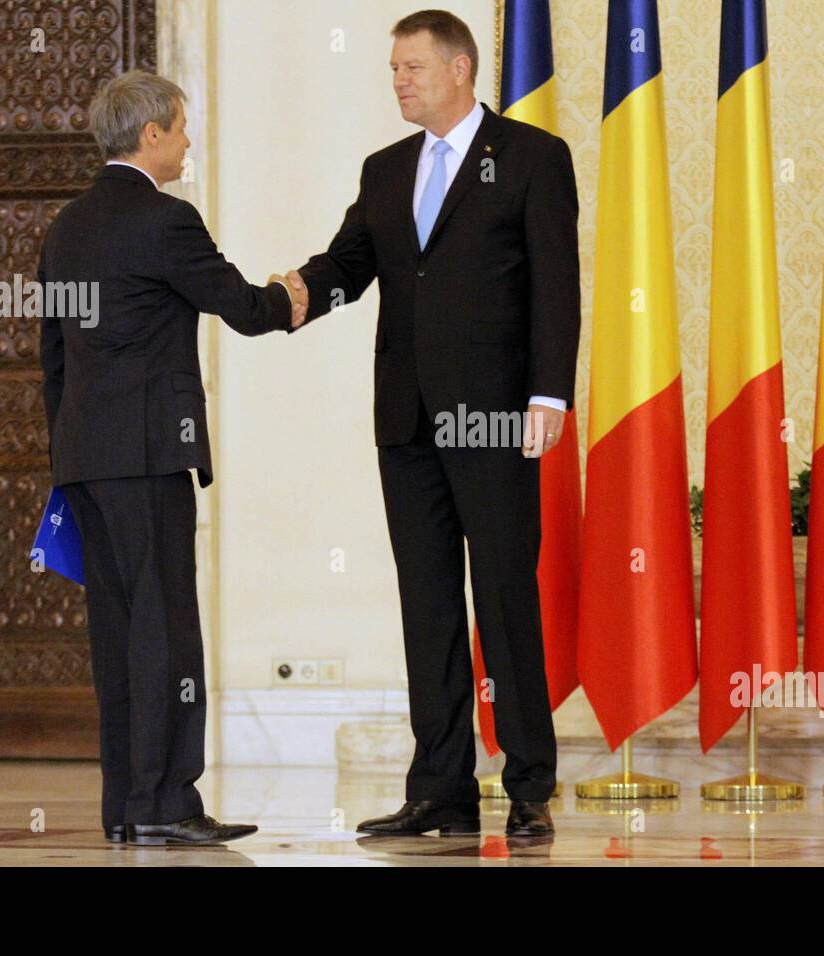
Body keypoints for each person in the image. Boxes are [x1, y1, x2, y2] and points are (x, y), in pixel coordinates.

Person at [282, 10, 580, 837]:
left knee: (505, 598)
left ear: (460, 69)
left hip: (496, 420)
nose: (399, 82)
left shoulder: (530, 158)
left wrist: (548, 396)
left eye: (412, 68)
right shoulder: (386, 169)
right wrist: (293, 296)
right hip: (406, 419)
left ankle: (529, 786)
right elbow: (351, 264)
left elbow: (557, 283)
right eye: (393, 71)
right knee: (428, 602)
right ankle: (440, 788)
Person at [38, 69, 307, 846]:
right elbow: (243, 308)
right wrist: (293, 294)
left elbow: (52, 358)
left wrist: (70, 450)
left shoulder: (65, 227)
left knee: (117, 634)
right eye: (181, 127)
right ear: (150, 133)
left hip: (85, 460)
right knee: (166, 631)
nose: (188, 141)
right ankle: (167, 802)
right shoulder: (165, 220)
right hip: (150, 457)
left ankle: (124, 804)